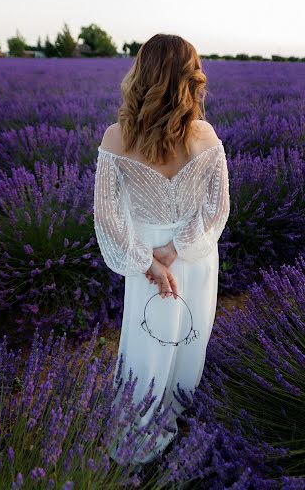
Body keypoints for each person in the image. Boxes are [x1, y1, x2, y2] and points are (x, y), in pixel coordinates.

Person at [93, 33, 230, 464]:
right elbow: (217, 207)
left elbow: (108, 217)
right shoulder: (205, 136)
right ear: (192, 79)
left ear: (141, 73)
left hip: (145, 256)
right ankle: (177, 417)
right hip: (194, 256)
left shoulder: (117, 137)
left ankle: (139, 434)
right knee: (189, 340)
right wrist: (178, 248)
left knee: (146, 343)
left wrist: (148, 261)